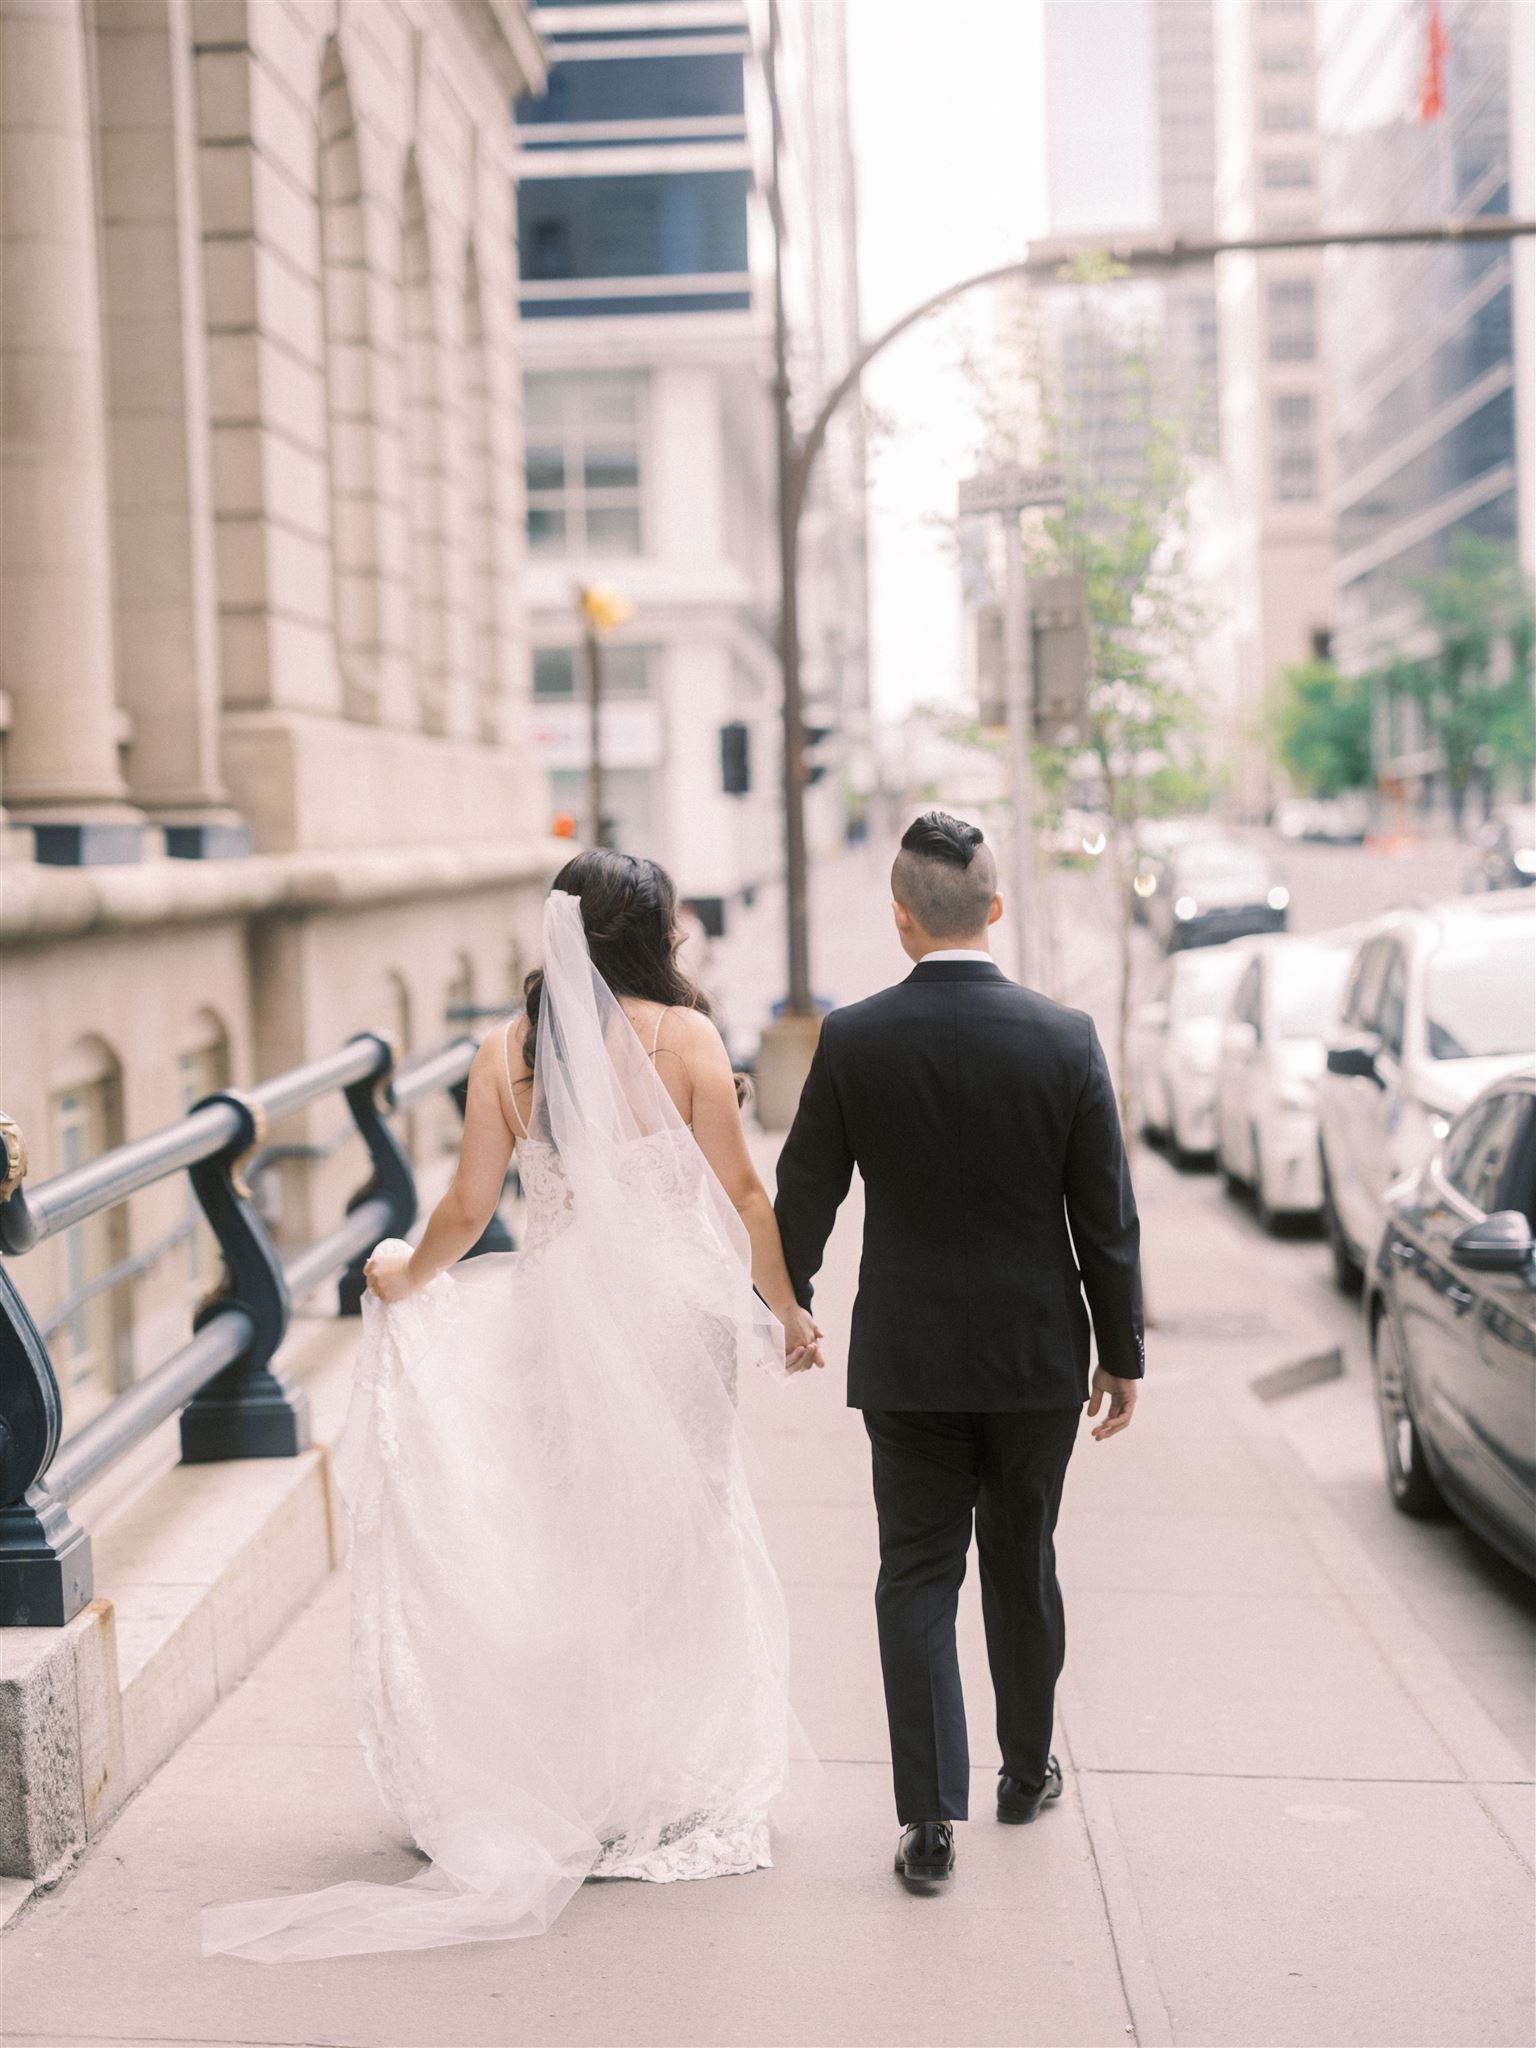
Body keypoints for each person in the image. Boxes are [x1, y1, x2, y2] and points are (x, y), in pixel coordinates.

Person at [202, 852, 822, 1961]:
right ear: (655, 933)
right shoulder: (686, 1040)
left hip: (559, 1318)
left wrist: (404, 1277)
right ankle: (663, 1771)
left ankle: (577, 1773)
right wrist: (787, 1309)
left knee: (577, 1534)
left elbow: (464, 1204)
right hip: (676, 1323)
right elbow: (740, 1191)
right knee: (680, 1529)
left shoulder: (508, 1052)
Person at [773, 810, 1143, 1887]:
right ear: (994, 908)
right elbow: (1105, 1216)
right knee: (1023, 1560)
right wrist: (1120, 1351)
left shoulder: (854, 1038)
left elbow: (806, 1194)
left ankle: (929, 1821)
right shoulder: (1065, 1037)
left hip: (911, 1357)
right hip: (1035, 1357)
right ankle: (1025, 1771)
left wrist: (788, 1304)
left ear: (900, 919)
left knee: (917, 1572)